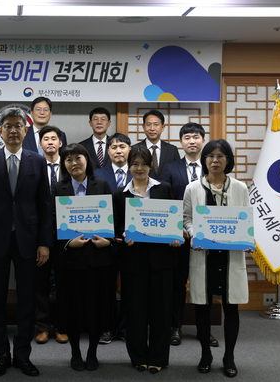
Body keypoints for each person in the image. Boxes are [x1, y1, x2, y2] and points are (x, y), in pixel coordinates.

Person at [0, 106, 52, 377]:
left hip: (29, 241)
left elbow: (45, 204)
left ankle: (22, 354)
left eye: (18, 125)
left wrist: (44, 242)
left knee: (27, 300)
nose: (14, 130)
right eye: (8, 126)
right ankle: (1, 355)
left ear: (25, 129)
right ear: (0, 130)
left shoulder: (37, 161)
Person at [183, 139, 250, 378]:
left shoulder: (240, 188)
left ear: (228, 160)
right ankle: (205, 354)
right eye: (210, 156)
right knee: (202, 307)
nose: (215, 160)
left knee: (231, 307)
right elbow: (186, 218)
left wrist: (247, 238)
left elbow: (246, 220)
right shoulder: (192, 188)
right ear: (204, 160)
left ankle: (229, 356)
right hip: (204, 256)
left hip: (230, 257)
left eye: (221, 156)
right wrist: (194, 234)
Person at [113, 145, 179, 374]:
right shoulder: (120, 194)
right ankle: (138, 356)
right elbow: (116, 225)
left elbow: (174, 219)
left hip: (162, 259)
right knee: (135, 311)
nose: (139, 168)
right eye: (135, 164)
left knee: (161, 310)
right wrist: (123, 235)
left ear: (151, 165)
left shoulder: (164, 188)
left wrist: (175, 235)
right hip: (133, 259)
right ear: (128, 165)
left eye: (144, 164)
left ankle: (158, 357)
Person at [52, 143, 114, 371]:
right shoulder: (58, 188)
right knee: (73, 309)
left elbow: (112, 219)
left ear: (87, 160)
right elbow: (52, 221)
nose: (74, 163)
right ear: (64, 164)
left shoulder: (102, 185)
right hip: (71, 258)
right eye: (68, 160)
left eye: (78, 158)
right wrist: (69, 242)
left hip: (98, 258)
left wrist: (108, 241)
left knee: (96, 309)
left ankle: (92, 352)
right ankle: (75, 352)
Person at [162, 122, 219, 347]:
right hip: (180, 236)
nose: (192, 141)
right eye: (187, 137)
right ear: (181, 142)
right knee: (177, 283)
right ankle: (175, 327)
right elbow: (165, 200)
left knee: (205, 283)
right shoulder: (169, 168)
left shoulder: (212, 166)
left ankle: (204, 330)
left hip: (207, 236)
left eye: (196, 137)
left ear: (203, 140)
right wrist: (177, 227)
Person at [93, 132, 132, 344]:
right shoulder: (97, 174)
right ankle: (106, 328)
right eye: (114, 147)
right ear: (107, 151)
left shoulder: (139, 173)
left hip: (132, 241)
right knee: (105, 287)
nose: (118, 151)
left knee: (129, 286)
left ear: (129, 150)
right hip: (105, 240)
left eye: (122, 146)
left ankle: (125, 328)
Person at [34, 126, 68, 345]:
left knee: (64, 281)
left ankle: (62, 326)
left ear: (60, 143)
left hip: (66, 232)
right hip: (39, 232)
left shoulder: (69, 166)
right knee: (40, 282)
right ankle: (43, 327)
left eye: (54, 138)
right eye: (45, 139)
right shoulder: (34, 165)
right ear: (40, 144)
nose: (50, 142)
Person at [132, 109, 180, 180]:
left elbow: (177, 174)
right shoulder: (134, 149)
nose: (152, 128)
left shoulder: (172, 150)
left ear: (162, 127)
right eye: (148, 124)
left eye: (156, 124)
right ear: (143, 127)